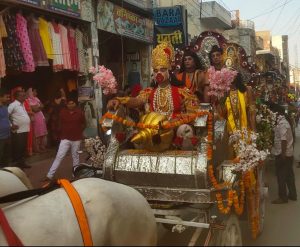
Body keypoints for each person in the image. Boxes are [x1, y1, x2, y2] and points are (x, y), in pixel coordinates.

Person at [107, 42, 199, 119]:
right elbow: (137, 101)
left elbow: (193, 114)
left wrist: (179, 119)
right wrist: (119, 100)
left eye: (162, 70)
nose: (158, 73)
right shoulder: (148, 92)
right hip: (152, 132)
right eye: (155, 71)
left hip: (175, 132)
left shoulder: (182, 92)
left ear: (169, 71)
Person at [43, 98, 86, 181]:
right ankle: (49, 175)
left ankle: (75, 175)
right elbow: (58, 123)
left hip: (76, 138)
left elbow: (84, 124)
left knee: (75, 157)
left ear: (75, 104)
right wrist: (58, 134)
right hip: (65, 138)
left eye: (72, 103)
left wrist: (79, 131)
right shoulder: (62, 112)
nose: (70, 105)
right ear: (66, 104)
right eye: (69, 103)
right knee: (59, 156)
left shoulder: (80, 112)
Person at [270, 103, 297, 204]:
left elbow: (284, 140)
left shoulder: (282, 123)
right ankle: (293, 195)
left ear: (277, 113)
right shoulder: (283, 122)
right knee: (289, 175)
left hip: (283, 154)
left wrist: (283, 155)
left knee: (281, 176)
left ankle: (283, 197)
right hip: (287, 154)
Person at [8, 89, 31, 169]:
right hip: (18, 131)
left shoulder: (22, 104)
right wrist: (11, 125)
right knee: (18, 149)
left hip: (25, 129)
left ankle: (22, 163)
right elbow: (6, 115)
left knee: (22, 149)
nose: (25, 97)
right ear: (17, 97)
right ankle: (17, 167)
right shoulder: (13, 105)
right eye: (23, 95)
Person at [27, 88, 48, 153]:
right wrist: (39, 107)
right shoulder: (28, 100)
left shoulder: (36, 98)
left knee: (43, 133)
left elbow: (42, 106)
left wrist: (38, 107)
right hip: (35, 118)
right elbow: (35, 110)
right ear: (31, 92)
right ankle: (37, 148)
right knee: (37, 134)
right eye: (35, 91)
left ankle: (42, 147)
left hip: (41, 117)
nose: (36, 93)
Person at [0, 88, 12, 168]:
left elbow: (7, 119)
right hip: (0, 136)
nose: (8, 98)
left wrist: (10, 126)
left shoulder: (5, 107)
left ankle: (6, 170)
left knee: (6, 154)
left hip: (7, 134)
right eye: (6, 97)